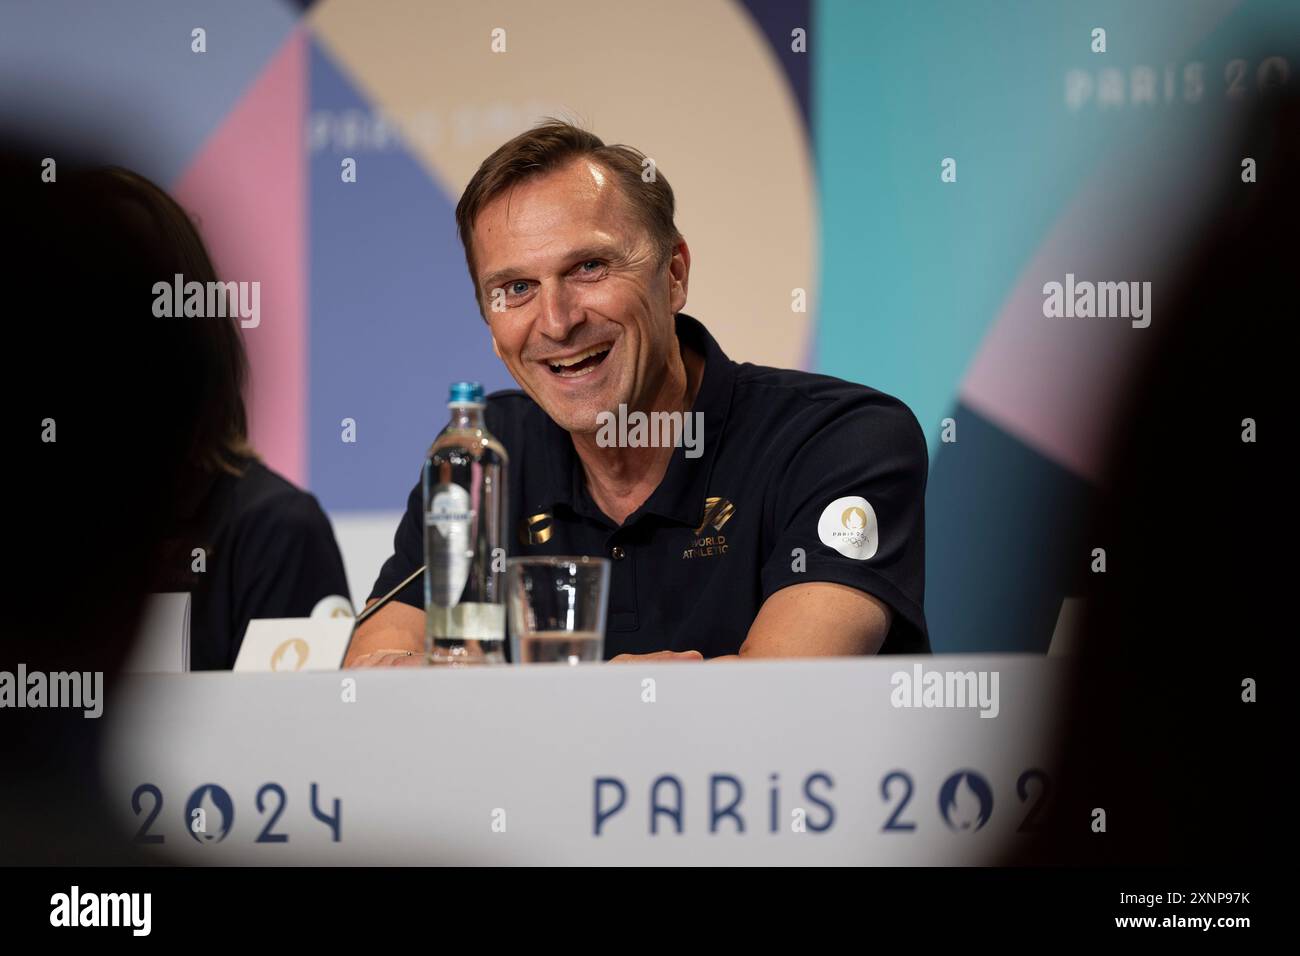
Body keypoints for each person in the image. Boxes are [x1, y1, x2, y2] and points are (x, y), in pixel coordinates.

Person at [346, 121, 928, 667]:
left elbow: (780, 695)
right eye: (516, 287)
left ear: (674, 276)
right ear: (491, 329)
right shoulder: (483, 455)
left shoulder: (840, 439)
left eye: (589, 267)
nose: (556, 321)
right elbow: (371, 677)